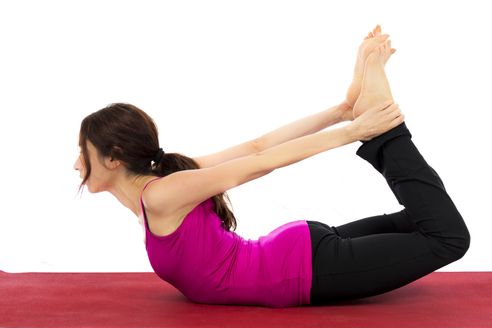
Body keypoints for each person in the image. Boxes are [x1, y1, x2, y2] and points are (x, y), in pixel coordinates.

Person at [74, 25, 470, 308]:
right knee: (427, 223)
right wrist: (342, 112)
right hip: (299, 255)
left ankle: (386, 131)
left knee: (448, 239)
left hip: (302, 272)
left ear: (113, 157)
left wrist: (353, 128)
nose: (77, 164)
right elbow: (257, 146)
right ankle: (371, 114)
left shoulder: (161, 193)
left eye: (83, 152)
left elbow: (260, 159)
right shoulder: (169, 178)